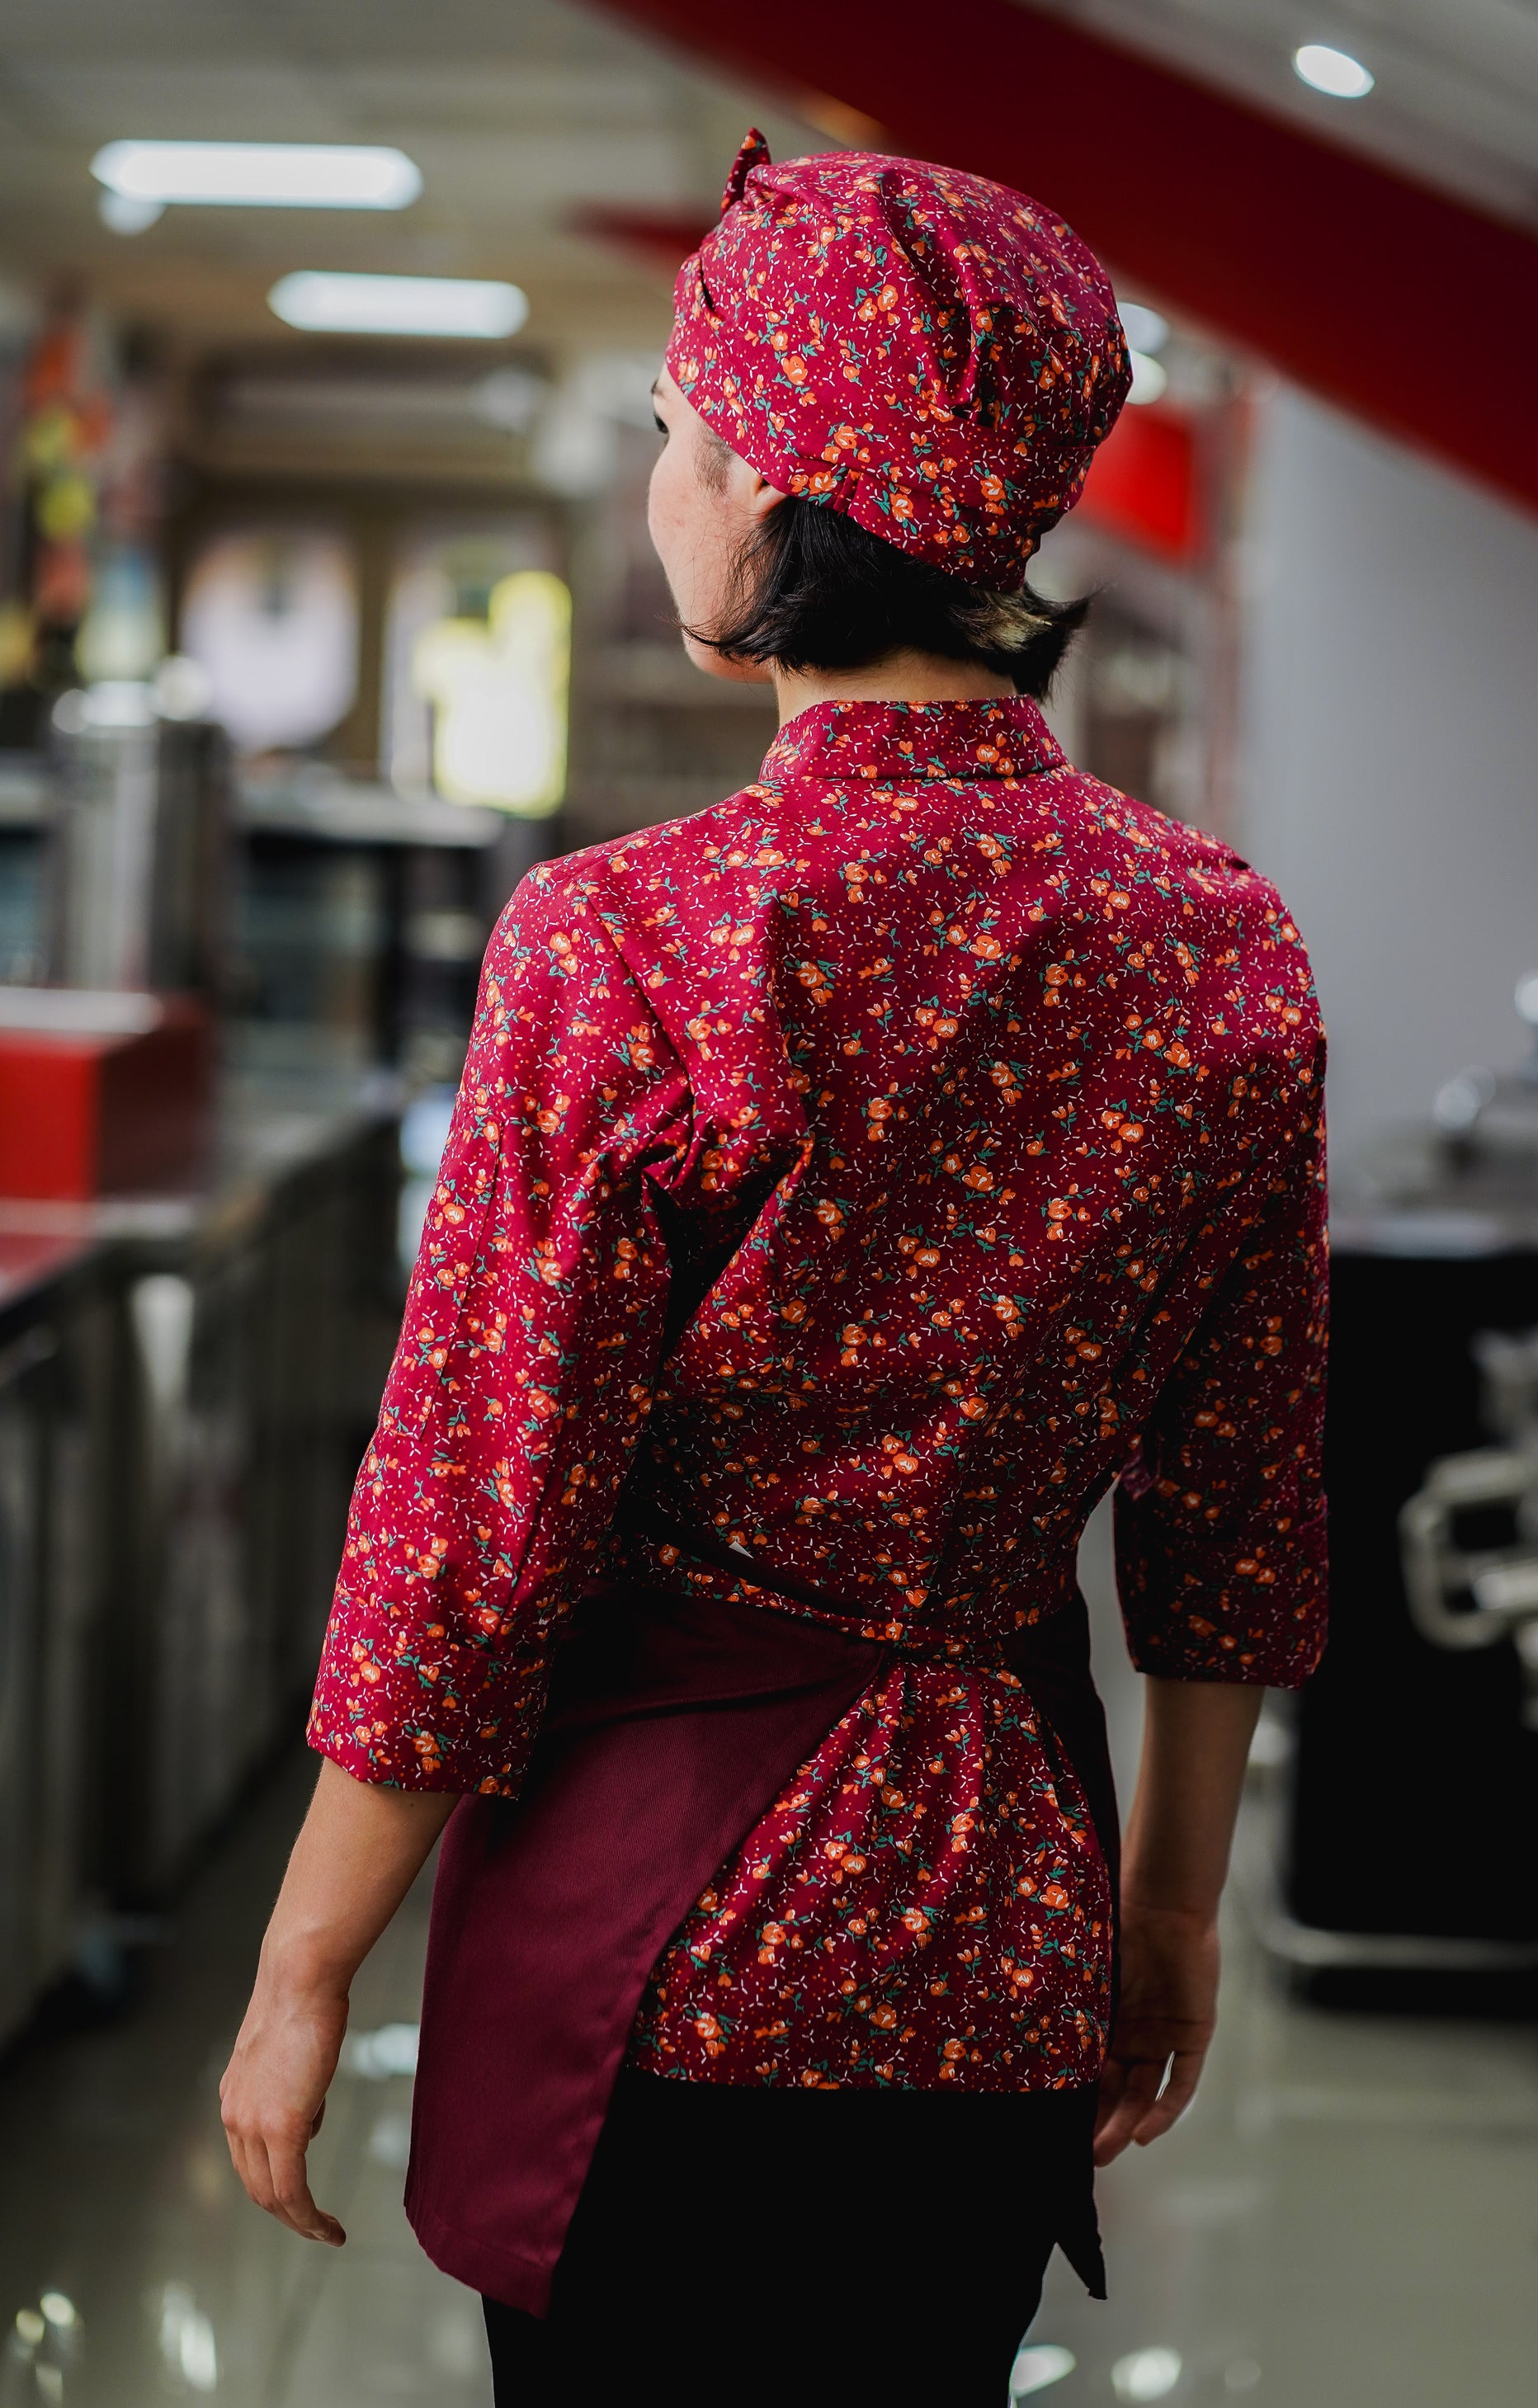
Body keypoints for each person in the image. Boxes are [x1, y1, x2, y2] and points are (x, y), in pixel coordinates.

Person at [221, 134, 1328, 2405]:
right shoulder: (1216, 941)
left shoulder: (630, 936)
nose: (662, 488)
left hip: (667, 1937)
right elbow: (1233, 1506)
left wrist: (305, 1961)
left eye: (672, 432)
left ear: (770, 488)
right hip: (1002, 1923)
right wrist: (1165, 1909)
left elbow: (476, 1521)